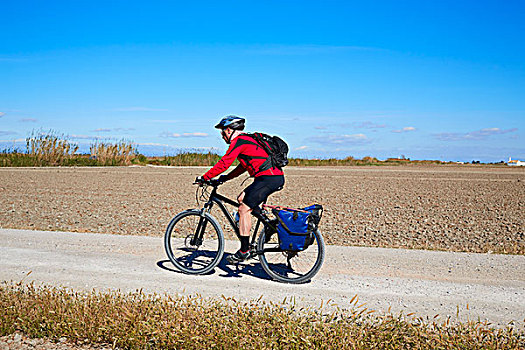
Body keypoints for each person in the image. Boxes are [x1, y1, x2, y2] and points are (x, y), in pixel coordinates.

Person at [196, 115, 285, 263]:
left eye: (223, 132)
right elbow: (242, 166)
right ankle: (268, 225)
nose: (222, 136)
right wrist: (225, 178)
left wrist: (205, 177)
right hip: (270, 177)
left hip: (268, 178)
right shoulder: (247, 140)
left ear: (229, 130)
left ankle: (244, 250)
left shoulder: (239, 141)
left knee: (244, 209)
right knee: (242, 198)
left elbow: (224, 163)